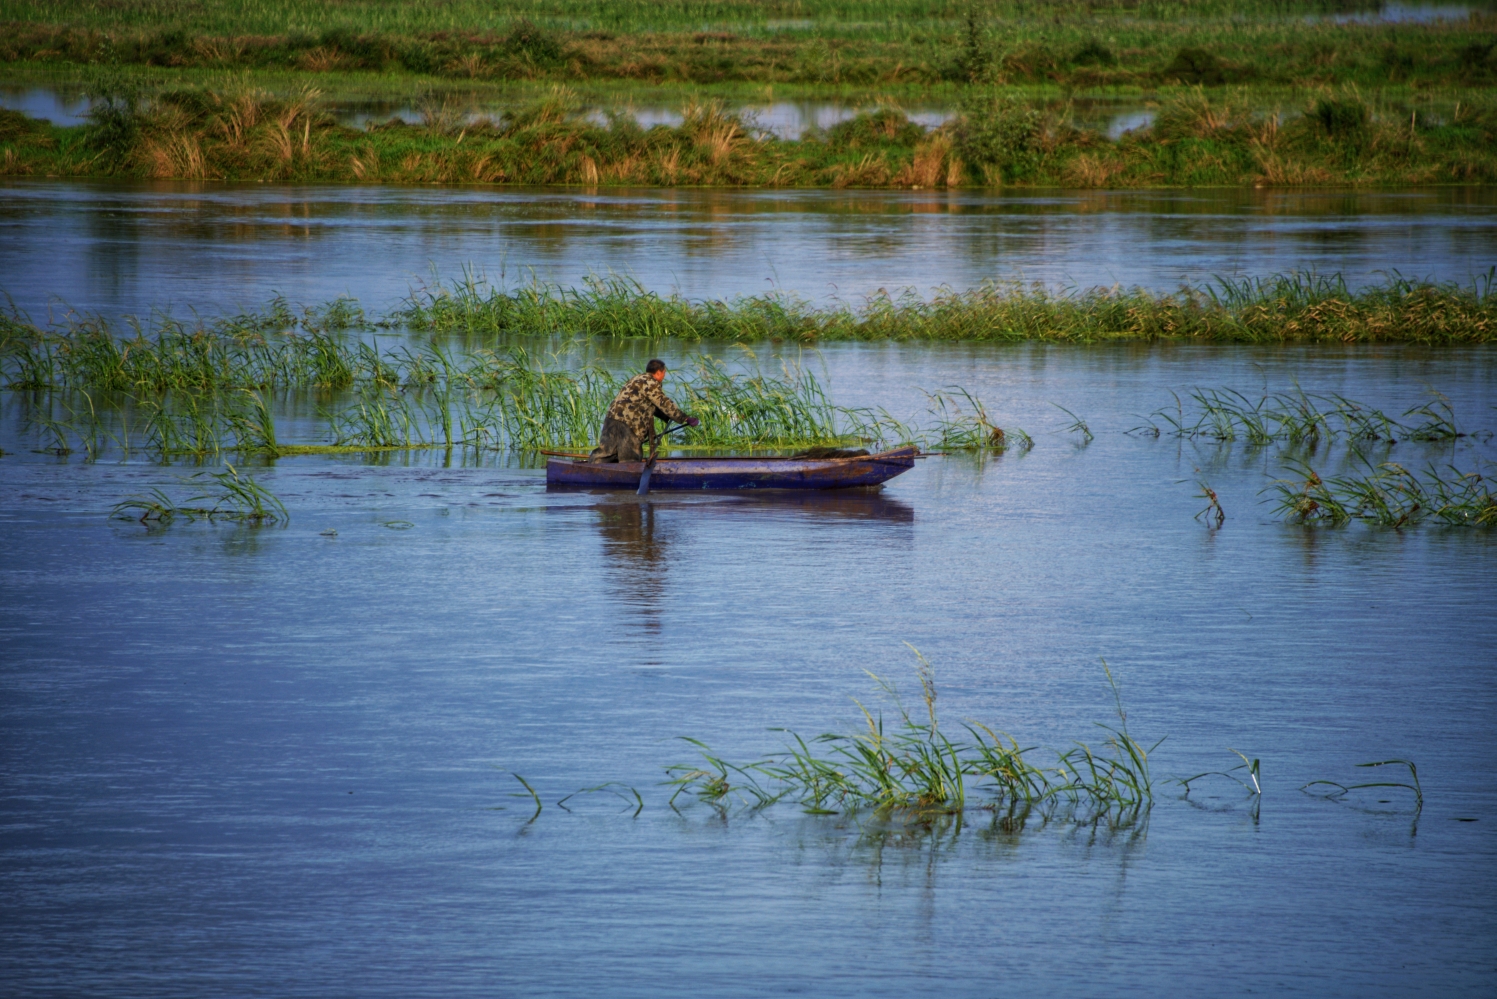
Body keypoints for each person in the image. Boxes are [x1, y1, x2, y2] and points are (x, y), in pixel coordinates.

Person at [589, 359, 699, 462]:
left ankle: (592, 472)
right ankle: (630, 480)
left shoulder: (636, 379)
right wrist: (685, 417)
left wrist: (668, 416)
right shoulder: (650, 382)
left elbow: (650, 405)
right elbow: (663, 403)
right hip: (629, 423)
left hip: (611, 419)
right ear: (659, 372)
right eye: (664, 373)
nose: (664, 376)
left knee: (605, 453)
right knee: (630, 458)